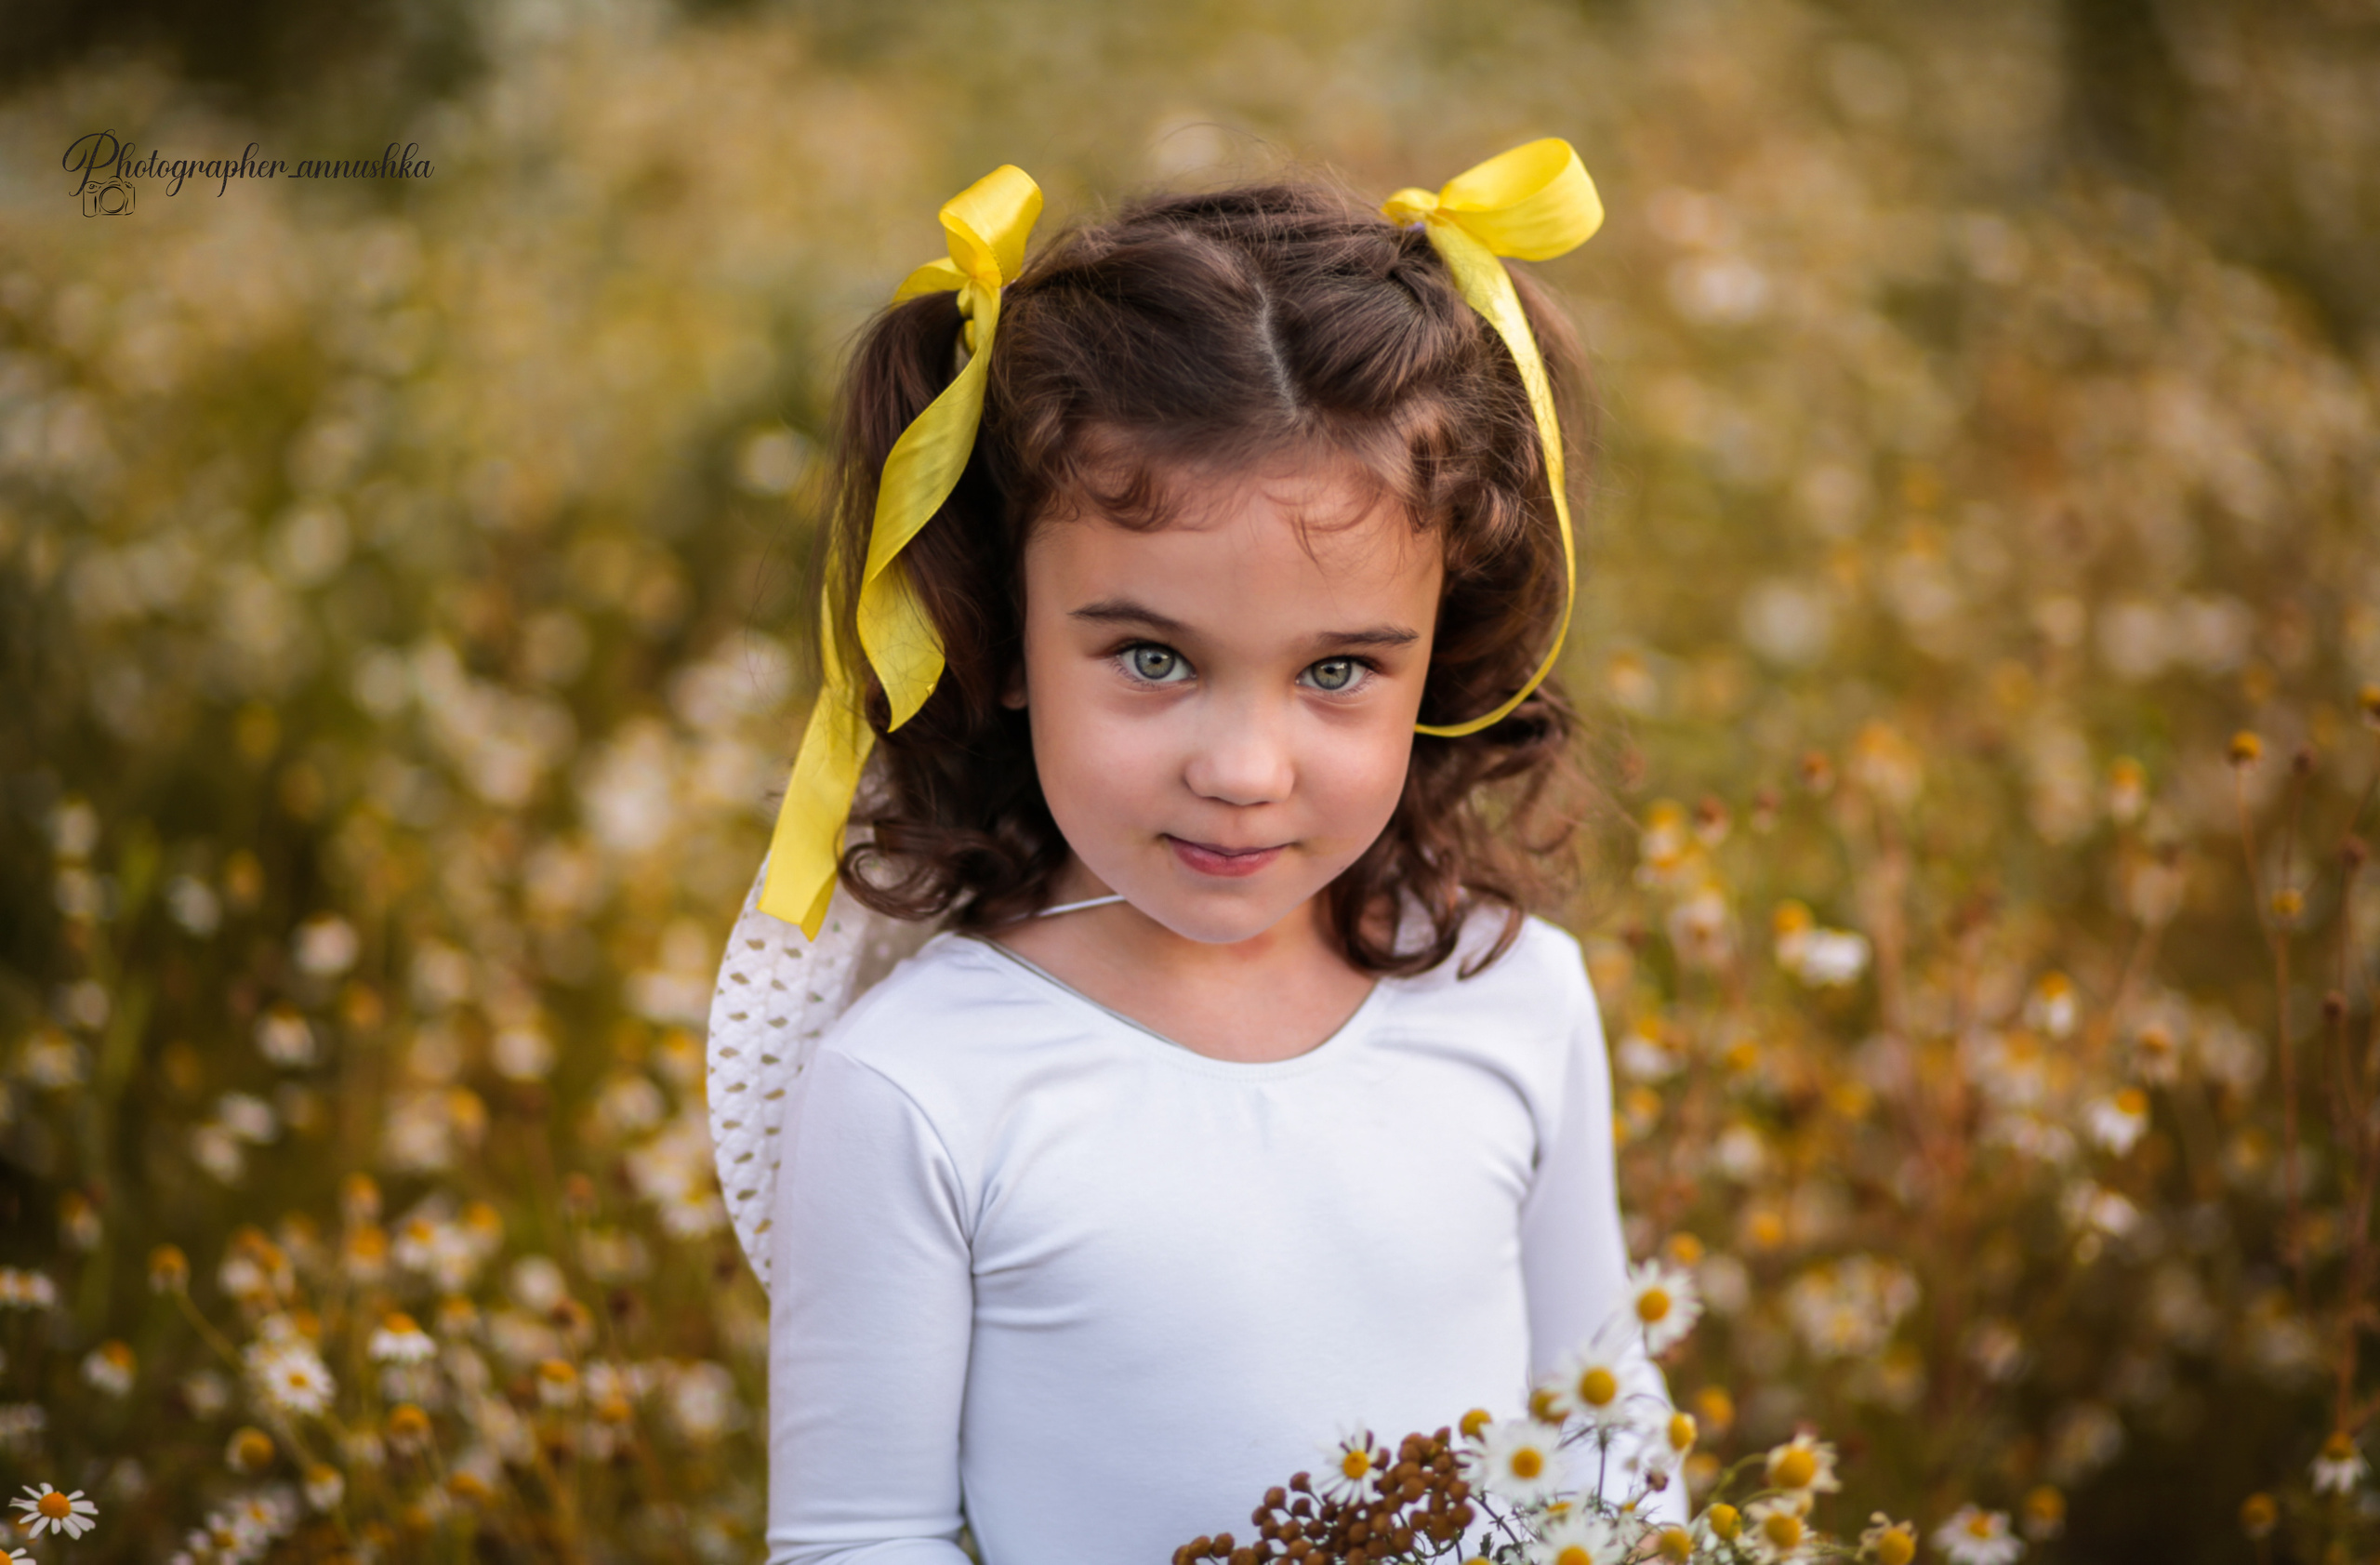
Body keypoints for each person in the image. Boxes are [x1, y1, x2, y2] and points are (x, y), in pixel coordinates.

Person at [704, 139, 1686, 1565]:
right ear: (1006, 633)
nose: (1242, 771)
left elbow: (1599, 1417)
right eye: (1154, 657)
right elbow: (860, 1540)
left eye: (1338, 670)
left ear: (1440, 652)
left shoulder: (1511, 996)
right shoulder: (918, 1088)